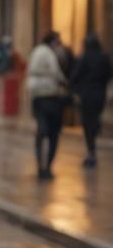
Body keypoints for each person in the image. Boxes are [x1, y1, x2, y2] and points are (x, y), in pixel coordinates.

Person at [27, 30, 70, 180]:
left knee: (41, 133)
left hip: (36, 96)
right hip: (50, 96)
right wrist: (65, 83)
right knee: (53, 134)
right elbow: (56, 73)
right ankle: (47, 168)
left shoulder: (36, 51)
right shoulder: (50, 54)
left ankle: (40, 166)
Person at [71, 33, 112, 168]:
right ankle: (92, 146)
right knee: (94, 119)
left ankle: (91, 151)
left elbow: (75, 76)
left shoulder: (84, 58)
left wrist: (76, 89)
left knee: (88, 123)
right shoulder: (104, 57)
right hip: (99, 95)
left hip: (86, 95)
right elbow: (109, 74)